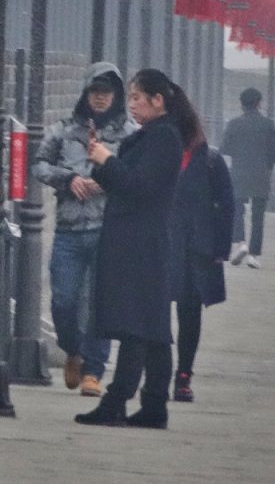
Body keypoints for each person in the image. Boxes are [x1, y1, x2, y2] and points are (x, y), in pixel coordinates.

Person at [74, 69, 195, 430]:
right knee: (152, 327)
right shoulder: (152, 136)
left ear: (158, 100)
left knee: (135, 324)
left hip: (141, 242)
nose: (133, 106)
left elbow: (139, 186)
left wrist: (106, 160)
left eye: (138, 98)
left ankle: (116, 401)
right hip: (137, 239)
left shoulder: (164, 139)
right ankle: (155, 404)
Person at [33, 62, 134, 397]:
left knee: (98, 303)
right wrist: (68, 179)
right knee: (63, 300)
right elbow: (39, 164)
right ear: (86, 93)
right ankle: (72, 349)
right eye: (95, 92)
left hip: (108, 229)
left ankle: (94, 370)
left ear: (117, 96)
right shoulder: (64, 130)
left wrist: (103, 181)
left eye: (107, 93)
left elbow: (136, 177)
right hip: (69, 228)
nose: (101, 98)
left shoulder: (130, 134)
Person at [168, 103, 234, 402]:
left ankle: (183, 374)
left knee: (189, 314)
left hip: (196, 249)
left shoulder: (210, 160)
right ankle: (155, 372)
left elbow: (227, 206)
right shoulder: (159, 155)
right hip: (162, 246)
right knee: (154, 311)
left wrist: (221, 247)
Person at [220, 86, 275, 269]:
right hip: (261, 173)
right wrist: (267, 167)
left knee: (237, 209)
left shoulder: (234, 124)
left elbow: (225, 148)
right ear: (259, 104)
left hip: (239, 172)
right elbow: (274, 152)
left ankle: (240, 242)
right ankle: (254, 254)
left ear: (242, 104)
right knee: (258, 215)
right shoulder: (268, 124)